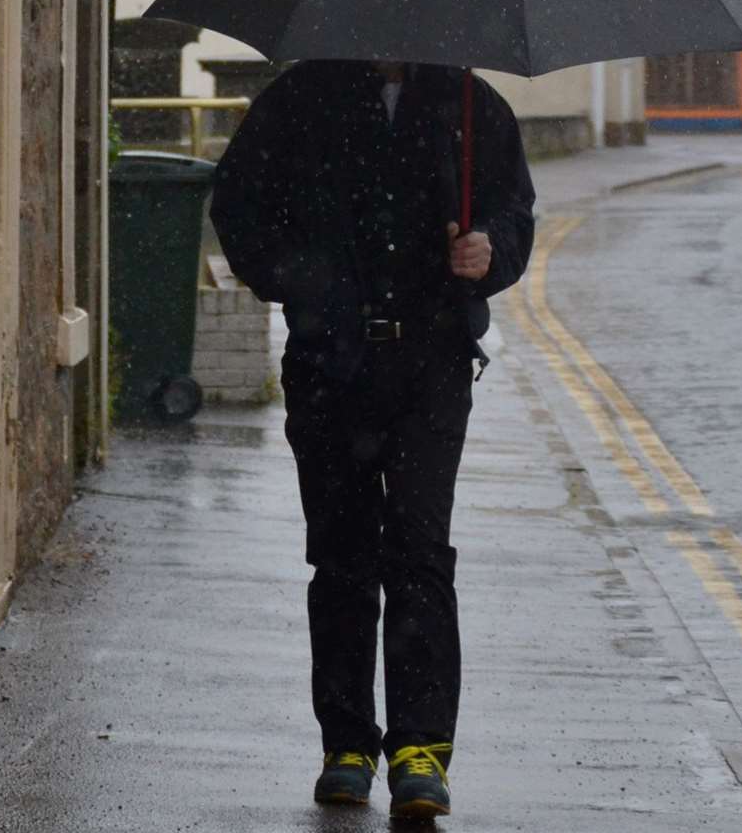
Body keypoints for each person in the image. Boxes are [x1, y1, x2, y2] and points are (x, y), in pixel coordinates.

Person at [208, 58, 536, 819]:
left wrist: (487, 250)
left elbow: (513, 212)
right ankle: (346, 744)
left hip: (431, 365)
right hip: (329, 364)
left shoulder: (468, 102)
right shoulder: (301, 98)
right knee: (341, 555)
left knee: (421, 550)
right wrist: (302, 279)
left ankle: (421, 749)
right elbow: (237, 204)